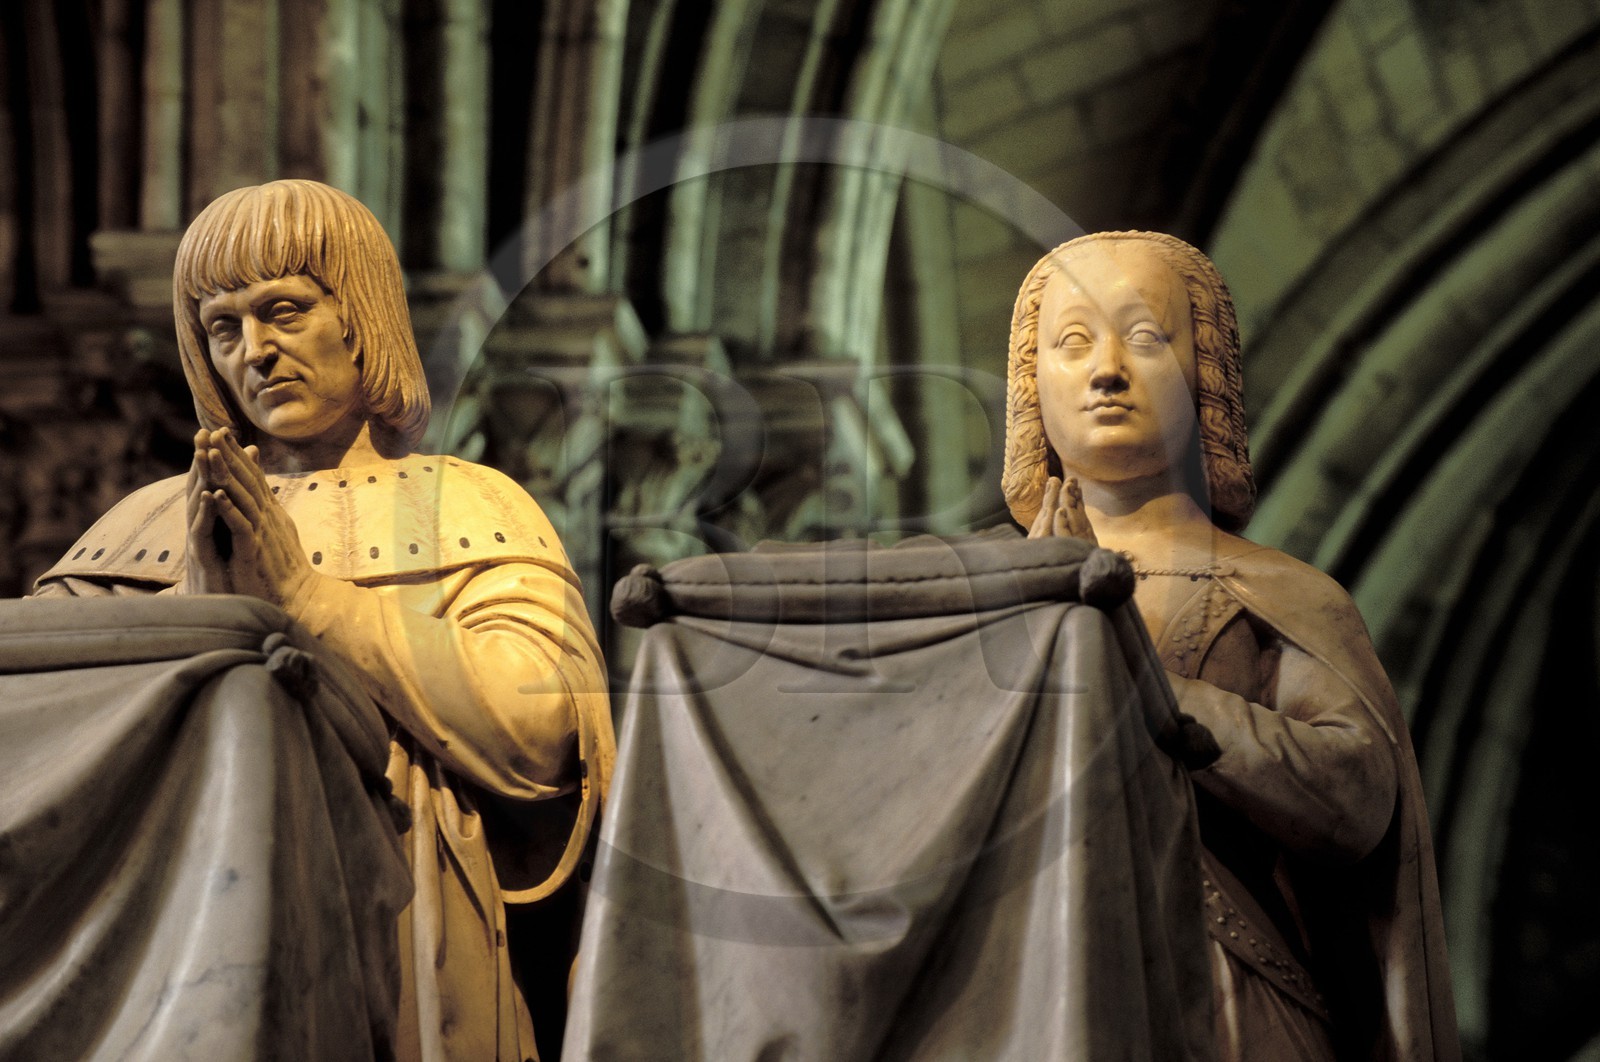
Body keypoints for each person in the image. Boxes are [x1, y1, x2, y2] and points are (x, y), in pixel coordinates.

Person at [34, 179, 615, 1061]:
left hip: (413, 933)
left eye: (284, 310)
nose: (255, 352)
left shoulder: (467, 502)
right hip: (185, 933)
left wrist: (309, 603)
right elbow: (48, 735)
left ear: (361, 314)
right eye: (222, 329)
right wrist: (201, 611)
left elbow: (545, 736)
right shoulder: (145, 523)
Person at [1003, 230, 1459, 1060]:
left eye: (1144, 338)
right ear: (1031, 386)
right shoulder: (990, 597)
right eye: (1073, 342)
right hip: (1031, 995)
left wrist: (1147, 683)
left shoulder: (1278, 594)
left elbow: (1356, 796)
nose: (1107, 369)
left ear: (1203, 370)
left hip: (1228, 1001)